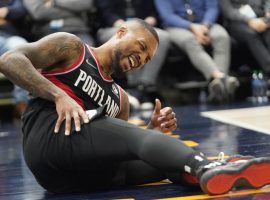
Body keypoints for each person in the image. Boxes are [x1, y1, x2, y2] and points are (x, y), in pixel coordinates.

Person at [0, 19, 270, 195]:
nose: (140, 58)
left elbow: (118, 146)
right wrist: (59, 95)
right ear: (120, 32)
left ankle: (207, 173)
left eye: (146, 58)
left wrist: (153, 129)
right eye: (140, 47)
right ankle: (205, 167)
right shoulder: (72, 48)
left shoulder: (120, 98)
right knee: (138, 137)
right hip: (49, 144)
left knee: (163, 164)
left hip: (84, 177)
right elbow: (10, 59)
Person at [154, 0, 239, 103]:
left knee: (221, 36)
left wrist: (205, 26)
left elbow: (212, 8)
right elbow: (167, 16)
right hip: (176, 27)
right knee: (190, 40)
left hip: (205, 25)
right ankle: (220, 77)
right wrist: (191, 27)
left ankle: (218, 84)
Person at [96, 0, 171, 109]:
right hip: (113, 27)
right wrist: (119, 23)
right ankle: (133, 88)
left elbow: (153, 12)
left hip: (143, 28)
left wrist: (150, 19)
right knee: (133, 42)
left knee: (162, 37)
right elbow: (105, 11)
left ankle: (143, 87)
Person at [219, 0, 270, 77]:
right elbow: (228, 11)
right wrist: (249, 21)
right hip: (237, 22)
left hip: (261, 18)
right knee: (250, 33)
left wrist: (268, 13)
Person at [0, 0, 29, 116]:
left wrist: (7, 12)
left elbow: (20, 10)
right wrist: (5, 14)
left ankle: (23, 104)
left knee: (21, 47)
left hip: (9, 39)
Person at [22, 0, 95, 45]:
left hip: (78, 31)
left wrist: (55, 2)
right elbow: (39, 13)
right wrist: (74, 11)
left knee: (87, 57)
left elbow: (85, 4)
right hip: (47, 34)